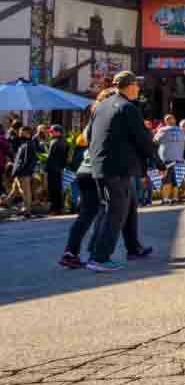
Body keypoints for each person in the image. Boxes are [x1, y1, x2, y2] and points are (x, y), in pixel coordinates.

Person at [85, 71, 159, 271]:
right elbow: (143, 139)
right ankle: (99, 258)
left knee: (129, 204)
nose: (139, 88)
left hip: (103, 166)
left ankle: (133, 247)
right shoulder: (128, 108)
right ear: (130, 85)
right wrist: (158, 162)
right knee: (115, 211)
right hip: (117, 169)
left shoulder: (100, 106)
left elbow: (89, 135)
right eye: (137, 84)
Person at [60, 93, 111, 269]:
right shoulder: (110, 119)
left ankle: (70, 252)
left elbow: (84, 141)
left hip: (84, 170)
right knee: (110, 212)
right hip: (100, 171)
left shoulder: (90, 123)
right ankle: (97, 254)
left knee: (87, 214)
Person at [6, 125, 42, 214]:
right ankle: (6, 202)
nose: (20, 133)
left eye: (22, 132)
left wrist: (17, 171)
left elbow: (25, 161)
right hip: (22, 171)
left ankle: (27, 210)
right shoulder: (26, 143)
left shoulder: (28, 144)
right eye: (20, 132)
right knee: (15, 189)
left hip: (23, 172)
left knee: (25, 192)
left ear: (28, 134)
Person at [152, 115, 185, 205]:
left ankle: (166, 199)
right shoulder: (181, 130)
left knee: (167, 180)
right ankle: (173, 198)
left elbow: (154, 141)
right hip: (177, 158)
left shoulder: (162, 130)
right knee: (175, 180)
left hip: (167, 158)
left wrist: (155, 131)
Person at [44, 125, 68, 214]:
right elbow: (65, 157)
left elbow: (50, 157)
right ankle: (59, 208)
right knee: (58, 189)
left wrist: (46, 168)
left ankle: (55, 208)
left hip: (52, 168)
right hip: (59, 168)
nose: (51, 133)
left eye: (52, 132)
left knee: (53, 189)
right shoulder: (65, 141)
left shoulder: (54, 142)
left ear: (58, 132)